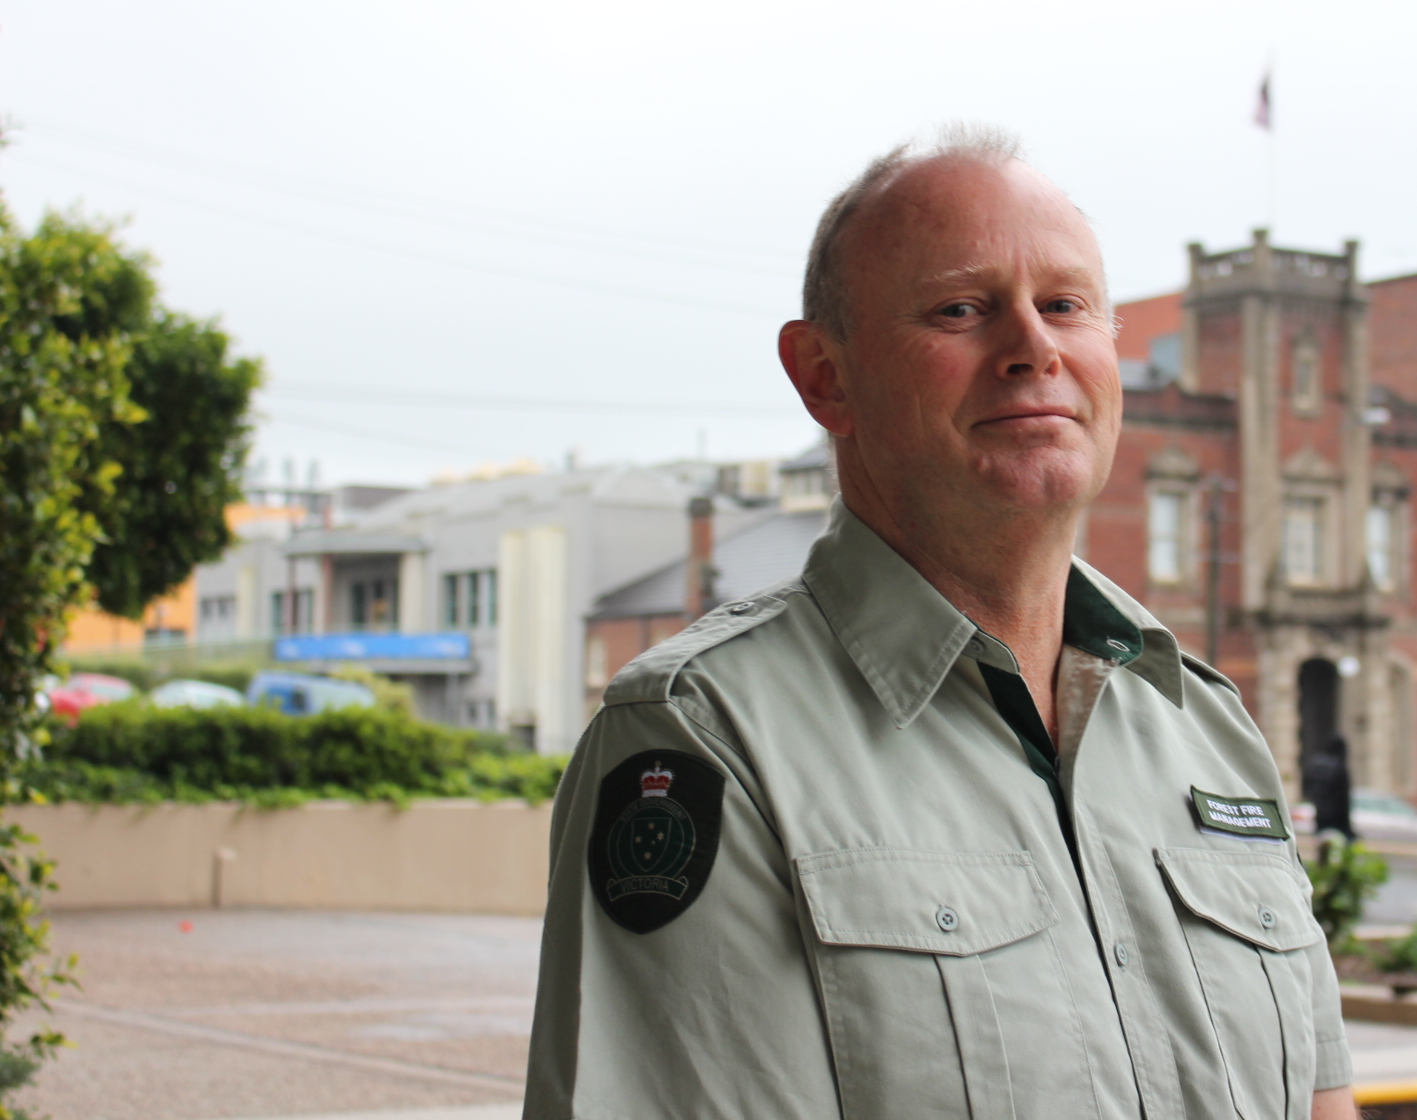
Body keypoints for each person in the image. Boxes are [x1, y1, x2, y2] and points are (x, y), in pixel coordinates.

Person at [524, 128, 1356, 1120]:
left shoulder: (1206, 730)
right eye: (962, 309)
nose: (1033, 348)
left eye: (1064, 305)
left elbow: (1319, 1102)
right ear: (825, 375)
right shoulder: (702, 739)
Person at [1304, 736, 1355, 841]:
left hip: (1320, 813)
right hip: (1336, 817)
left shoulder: (1315, 763)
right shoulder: (1338, 765)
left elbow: (1306, 785)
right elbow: (1343, 797)